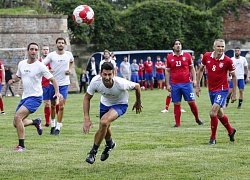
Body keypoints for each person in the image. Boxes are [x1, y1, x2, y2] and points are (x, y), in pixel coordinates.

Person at [83, 62, 142, 164]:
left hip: (120, 104)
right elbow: (87, 98)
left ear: (114, 73)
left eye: (109, 74)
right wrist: (86, 118)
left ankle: (93, 152)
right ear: (100, 73)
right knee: (105, 126)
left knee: (104, 122)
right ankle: (110, 144)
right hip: (104, 104)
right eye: (105, 74)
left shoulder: (121, 83)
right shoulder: (95, 81)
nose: (107, 77)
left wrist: (138, 101)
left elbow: (137, 86)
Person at [9, 42, 60, 151]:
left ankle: (21, 146)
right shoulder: (22, 64)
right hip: (25, 97)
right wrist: (13, 80)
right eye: (32, 49)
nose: (34, 51)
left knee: (18, 117)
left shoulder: (40, 66)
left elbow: (53, 79)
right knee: (16, 123)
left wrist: (56, 92)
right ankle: (35, 122)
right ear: (28, 51)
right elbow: (18, 76)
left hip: (36, 98)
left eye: (36, 50)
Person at [196, 39, 237, 145]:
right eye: (219, 46)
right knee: (219, 114)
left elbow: (234, 76)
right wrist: (198, 85)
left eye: (223, 47)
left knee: (212, 112)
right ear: (214, 47)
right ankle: (231, 131)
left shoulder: (227, 60)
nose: (221, 49)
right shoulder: (206, 56)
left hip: (222, 89)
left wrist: (234, 93)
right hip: (211, 90)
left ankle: (213, 138)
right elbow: (200, 70)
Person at [165, 39, 203, 127]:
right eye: (176, 44)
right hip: (175, 84)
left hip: (187, 83)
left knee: (191, 102)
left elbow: (192, 68)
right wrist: (167, 84)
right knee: (176, 103)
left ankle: (197, 118)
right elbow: (167, 71)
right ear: (173, 47)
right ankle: (177, 123)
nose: (178, 45)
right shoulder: (170, 57)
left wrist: (194, 80)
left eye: (179, 44)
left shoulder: (187, 55)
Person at [43, 37, 75, 135]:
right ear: (56, 44)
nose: (60, 44)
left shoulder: (68, 54)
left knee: (61, 106)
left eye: (62, 43)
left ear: (65, 45)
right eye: (59, 43)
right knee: (53, 105)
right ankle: (52, 125)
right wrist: (48, 70)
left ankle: (58, 127)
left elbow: (72, 61)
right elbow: (41, 64)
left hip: (64, 84)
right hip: (53, 84)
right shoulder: (51, 55)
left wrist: (69, 69)